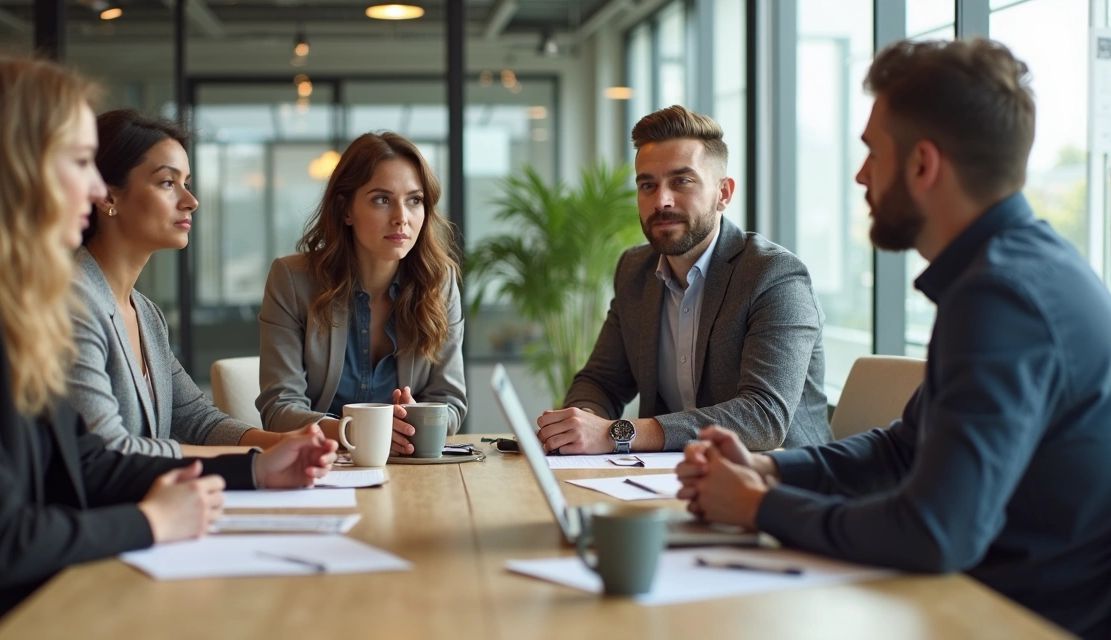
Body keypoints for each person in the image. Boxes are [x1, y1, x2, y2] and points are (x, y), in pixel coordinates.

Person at [675, 38, 1111, 639]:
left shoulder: (1002, 297)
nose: (860, 174)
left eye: (871, 153)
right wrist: (768, 470)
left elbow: (936, 532)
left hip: (1012, 619)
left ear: (923, 165)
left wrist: (755, 506)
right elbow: (904, 448)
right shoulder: (1020, 270)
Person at [0, 56, 337, 640]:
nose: (96, 185)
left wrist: (257, 468)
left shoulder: (4, 297)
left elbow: (90, 465)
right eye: (80, 162)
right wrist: (150, 522)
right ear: (13, 165)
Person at [535, 105, 831, 456]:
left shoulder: (774, 276)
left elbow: (763, 417)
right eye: (647, 185)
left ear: (723, 193)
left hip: (783, 485)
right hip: (672, 478)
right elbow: (602, 381)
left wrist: (616, 433)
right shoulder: (634, 270)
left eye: (682, 181)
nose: (661, 200)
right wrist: (581, 424)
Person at [67, 109, 310, 457]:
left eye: (187, 183)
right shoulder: (73, 302)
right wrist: (257, 458)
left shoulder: (146, 314)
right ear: (107, 196)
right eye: (168, 182)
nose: (191, 201)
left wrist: (286, 442)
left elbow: (195, 419)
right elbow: (111, 450)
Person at [257, 131, 466, 455]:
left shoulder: (440, 282)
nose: (401, 218)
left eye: (415, 200)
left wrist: (419, 418)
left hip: (410, 468)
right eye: (382, 199)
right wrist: (356, 430)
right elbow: (279, 408)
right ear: (345, 210)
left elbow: (450, 401)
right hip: (320, 467)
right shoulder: (293, 280)